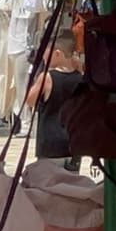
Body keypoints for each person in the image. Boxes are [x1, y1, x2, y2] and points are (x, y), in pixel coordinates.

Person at [24, 29, 81, 171]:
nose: (43, 57)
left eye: (46, 53)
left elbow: (30, 100)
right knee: (71, 186)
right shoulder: (80, 78)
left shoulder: (47, 78)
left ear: (57, 54)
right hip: (73, 144)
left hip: (50, 145)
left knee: (50, 188)